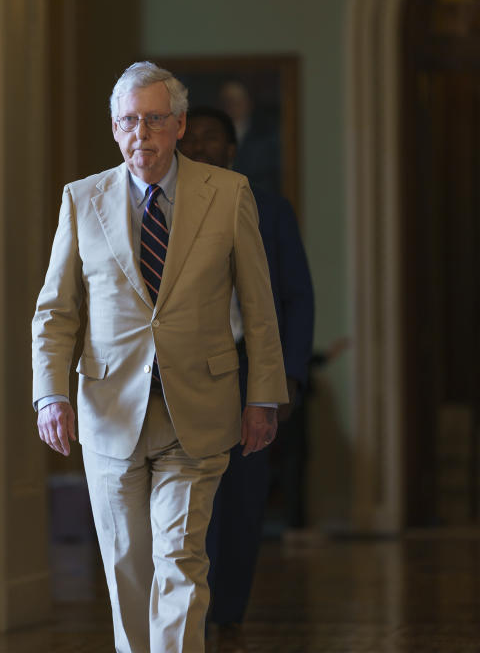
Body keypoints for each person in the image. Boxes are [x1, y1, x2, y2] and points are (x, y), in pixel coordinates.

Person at [31, 62, 288, 653]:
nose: (139, 134)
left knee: (180, 559)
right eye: (127, 122)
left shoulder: (227, 194)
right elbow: (56, 311)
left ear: (179, 125)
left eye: (153, 120)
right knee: (128, 567)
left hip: (196, 410)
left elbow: (259, 304)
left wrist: (263, 397)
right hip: (107, 411)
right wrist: (51, 394)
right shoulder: (82, 199)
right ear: (114, 129)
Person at [177, 106, 314, 644]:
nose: (203, 148)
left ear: (232, 152)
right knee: (184, 497)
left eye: (215, 140)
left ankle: (227, 611)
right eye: (196, 139)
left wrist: (288, 379)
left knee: (241, 498)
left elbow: (296, 298)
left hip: (246, 372)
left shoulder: (269, 209)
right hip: (182, 372)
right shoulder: (162, 207)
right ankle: (185, 609)